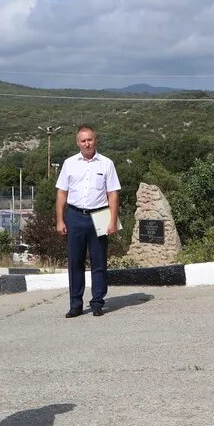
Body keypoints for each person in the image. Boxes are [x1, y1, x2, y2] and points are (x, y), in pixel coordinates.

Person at [54, 126, 120, 318]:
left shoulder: (106, 164)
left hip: (100, 214)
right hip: (74, 215)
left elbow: (113, 193)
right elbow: (62, 193)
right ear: (78, 143)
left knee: (99, 261)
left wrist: (113, 220)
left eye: (90, 139)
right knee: (75, 262)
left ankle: (98, 302)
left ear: (95, 140)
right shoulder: (69, 163)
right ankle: (75, 304)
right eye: (83, 141)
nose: (87, 143)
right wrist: (60, 219)